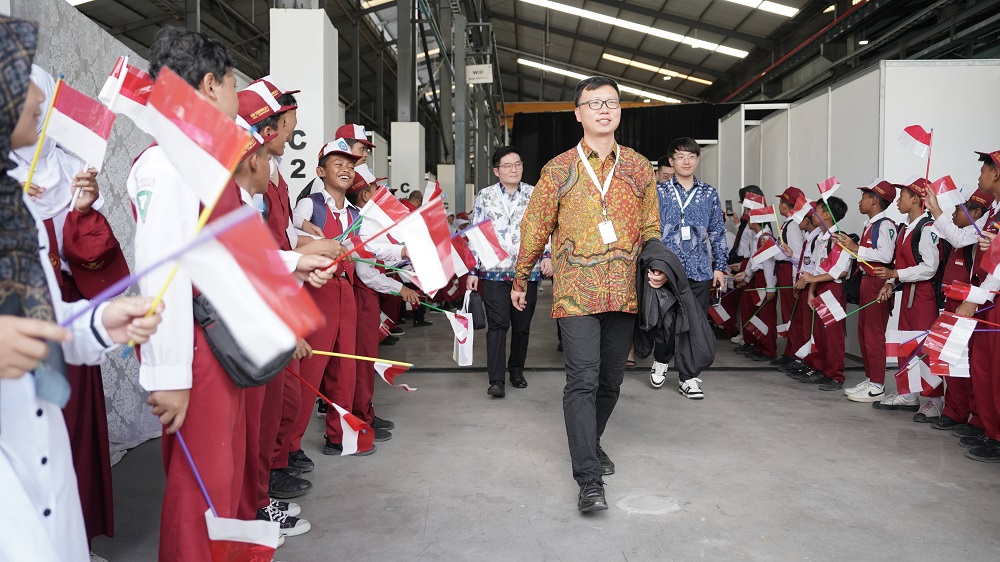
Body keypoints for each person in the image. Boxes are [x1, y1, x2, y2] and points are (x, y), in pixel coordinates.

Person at [129, 28, 335, 561]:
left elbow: (223, 251)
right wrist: (169, 376)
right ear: (209, 84)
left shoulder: (195, 160)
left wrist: (294, 262)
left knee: (221, 478)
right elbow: (161, 273)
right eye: (232, 87)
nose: (234, 100)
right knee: (199, 490)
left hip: (219, 340)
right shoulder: (166, 164)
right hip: (197, 347)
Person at [0, 16, 164, 560]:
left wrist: (98, 322)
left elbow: (49, 306)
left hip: (48, 383)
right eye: (25, 84)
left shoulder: (22, 202)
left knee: (64, 466)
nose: (42, 101)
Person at [512, 76, 662, 512]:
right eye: (594, 103)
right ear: (578, 113)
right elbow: (535, 226)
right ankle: (589, 480)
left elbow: (651, 225)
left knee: (611, 382)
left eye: (610, 102)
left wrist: (655, 264)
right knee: (581, 380)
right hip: (575, 293)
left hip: (624, 292)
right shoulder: (558, 169)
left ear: (620, 110)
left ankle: (590, 441)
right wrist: (521, 278)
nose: (603, 109)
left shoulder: (638, 167)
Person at [468, 146, 552, 398]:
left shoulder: (535, 194)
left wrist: (547, 255)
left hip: (527, 273)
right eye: (507, 165)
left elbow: (545, 227)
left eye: (518, 164)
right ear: (497, 171)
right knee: (498, 325)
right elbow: (476, 233)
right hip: (494, 272)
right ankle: (496, 379)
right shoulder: (485, 196)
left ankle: (516, 370)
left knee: (522, 326)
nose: (514, 169)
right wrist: (473, 269)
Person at [650, 141, 728, 398]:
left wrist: (720, 267)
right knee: (666, 321)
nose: (686, 161)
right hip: (666, 270)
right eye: (680, 156)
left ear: (697, 160)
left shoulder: (709, 194)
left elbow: (717, 232)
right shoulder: (658, 192)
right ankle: (662, 358)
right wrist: (653, 264)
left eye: (691, 156)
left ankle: (688, 377)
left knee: (694, 324)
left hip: (699, 270)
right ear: (671, 161)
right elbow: (649, 231)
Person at [924, 185, 994, 430]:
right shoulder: (962, 232)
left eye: (959, 209)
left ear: (976, 213)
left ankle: (974, 416)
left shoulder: (980, 231)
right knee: (949, 358)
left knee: (970, 363)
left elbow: (958, 237)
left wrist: (936, 210)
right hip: (953, 301)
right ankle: (955, 411)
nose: (953, 214)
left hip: (970, 302)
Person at [871, 179, 943, 414]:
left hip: (923, 296)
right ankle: (908, 394)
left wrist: (896, 274)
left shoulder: (927, 228)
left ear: (915, 199)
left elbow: (929, 267)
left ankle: (935, 401)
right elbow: (899, 264)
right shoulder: (904, 228)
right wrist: (890, 283)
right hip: (908, 295)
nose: (898, 200)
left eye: (902, 195)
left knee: (925, 347)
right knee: (906, 345)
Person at [954, 150, 1000, 462]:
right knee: (983, 369)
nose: (979, 176)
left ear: (996, 173)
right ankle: (991, 430)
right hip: (988, 298)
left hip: (991, 298)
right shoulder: (994, 213)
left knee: (994, 371)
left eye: (983, 170)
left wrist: (976, 298)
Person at [835, 181, 897, 403]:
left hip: (877, 283)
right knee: (864, 334)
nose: (860, 201)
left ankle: (878, 385)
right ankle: (871, 379)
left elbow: (886, 255)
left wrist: (855, 248)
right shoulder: (871, 225)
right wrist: (850, 247)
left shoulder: (885, 225)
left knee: (873, 336)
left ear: (874, 200)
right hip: (866, 282)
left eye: (864, 196)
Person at [795, 197, 849, 391]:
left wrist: (813, 280)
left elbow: (841, 272)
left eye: (816, 210)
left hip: (832, 290)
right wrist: (811, 292)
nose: (813, 213)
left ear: (826, 215)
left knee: (832, 335)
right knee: (819, 333)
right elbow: (817, 269)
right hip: (820, 288)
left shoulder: (839, 238)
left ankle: (835, 375)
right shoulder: (821, 239)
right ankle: (820, 368)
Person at [733, 211, 778, 361]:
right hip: (758, 278)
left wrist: (770, 287)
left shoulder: (766, 238)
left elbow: (769, 264)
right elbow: (754, 261)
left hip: (764, 279)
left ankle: (769, 350)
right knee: (759, 314)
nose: (748, 223)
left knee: (766, 316)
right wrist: (746, 274)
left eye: (749, 220)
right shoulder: (758, 237)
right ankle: (761, 346)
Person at [769, 187, 805, 368]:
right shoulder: (788, 223)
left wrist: (794, 279)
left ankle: (795, 354)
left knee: (792, 315)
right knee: (787, 314)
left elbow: (797, 254)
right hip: (783, 270)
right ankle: (790, 351)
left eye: (781, 202)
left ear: (785, 205)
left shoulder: (793, 226)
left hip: (789, 271)